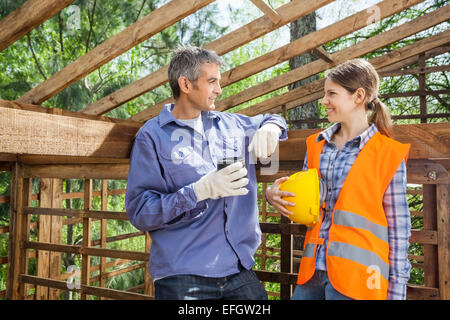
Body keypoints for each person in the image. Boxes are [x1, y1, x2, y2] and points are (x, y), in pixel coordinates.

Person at [125, 45, 287, 300]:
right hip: (183, 275)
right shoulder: (152, 136)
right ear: (186, 85)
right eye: (212, 81)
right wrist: (198, 191)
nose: (219, 90)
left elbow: (272, 118)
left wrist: (273, 128)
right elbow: (140, 212)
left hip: (238, 269)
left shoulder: (232, 124)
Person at [266, 59, 411, 300]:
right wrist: (274, 196)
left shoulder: (388, 153)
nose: (324, 101)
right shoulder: (316, 145)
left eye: (331, 93)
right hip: (312, 274)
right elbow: (305, 204)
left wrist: (396, 292)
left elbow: (399, 230)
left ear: (358, 96)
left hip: (359, 279)